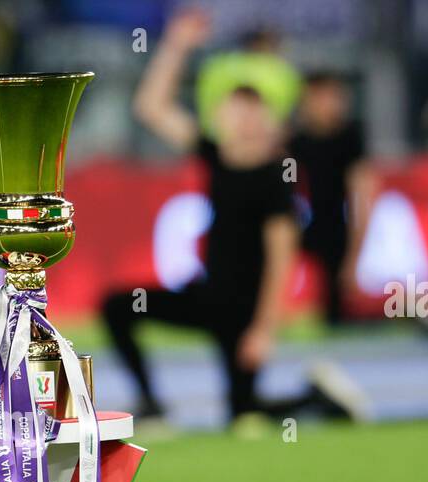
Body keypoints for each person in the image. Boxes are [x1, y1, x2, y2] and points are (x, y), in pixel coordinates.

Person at [100, 10, 363, 426]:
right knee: (117, 307)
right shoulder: (217, 156)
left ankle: (319, 400)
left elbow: (282, 257)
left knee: (244, 414)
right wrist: (177, 45)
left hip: (243, 314)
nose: (242, 120)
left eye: (253, 111)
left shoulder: (277, 177)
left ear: (272, 120)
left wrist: (263, 329)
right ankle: (151, 403)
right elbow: (150, 107)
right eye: (234, 110)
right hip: (208, 297)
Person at [288, 71, 370, 326]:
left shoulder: (350, 141)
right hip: (302, 229)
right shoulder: (294, 144)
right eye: (318, 98)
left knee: (338, 311)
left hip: (338, 231)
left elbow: (363, 194)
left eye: (332, 97)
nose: (326, 105)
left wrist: (354, 256)